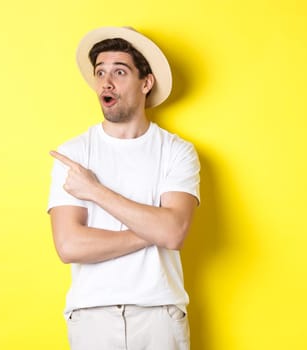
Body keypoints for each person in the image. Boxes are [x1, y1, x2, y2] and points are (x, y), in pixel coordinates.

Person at [47, 26, 200, 350]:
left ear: (146, 82)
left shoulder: (176, 151)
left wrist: (95, 191)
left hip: (160, 314)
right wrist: (153, 229)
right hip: (92, 317)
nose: (106, 81)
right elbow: (69, 245)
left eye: (119, 71)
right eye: (100, 72)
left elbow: (173, 233)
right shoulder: (73, 153)